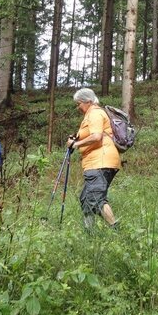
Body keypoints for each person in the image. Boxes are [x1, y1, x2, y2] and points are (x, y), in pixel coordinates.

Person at [67, 88, 121, 231]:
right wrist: (76, 139)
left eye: (79, 104)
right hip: (96, 161)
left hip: (100, 161)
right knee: (86, 198)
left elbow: (97, 136)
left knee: (95, 198)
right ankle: (89, 233)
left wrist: (76, 144)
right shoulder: (91, 115)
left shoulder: (95, 113)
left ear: (88, 101)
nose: (78, 107)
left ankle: (115, 229)